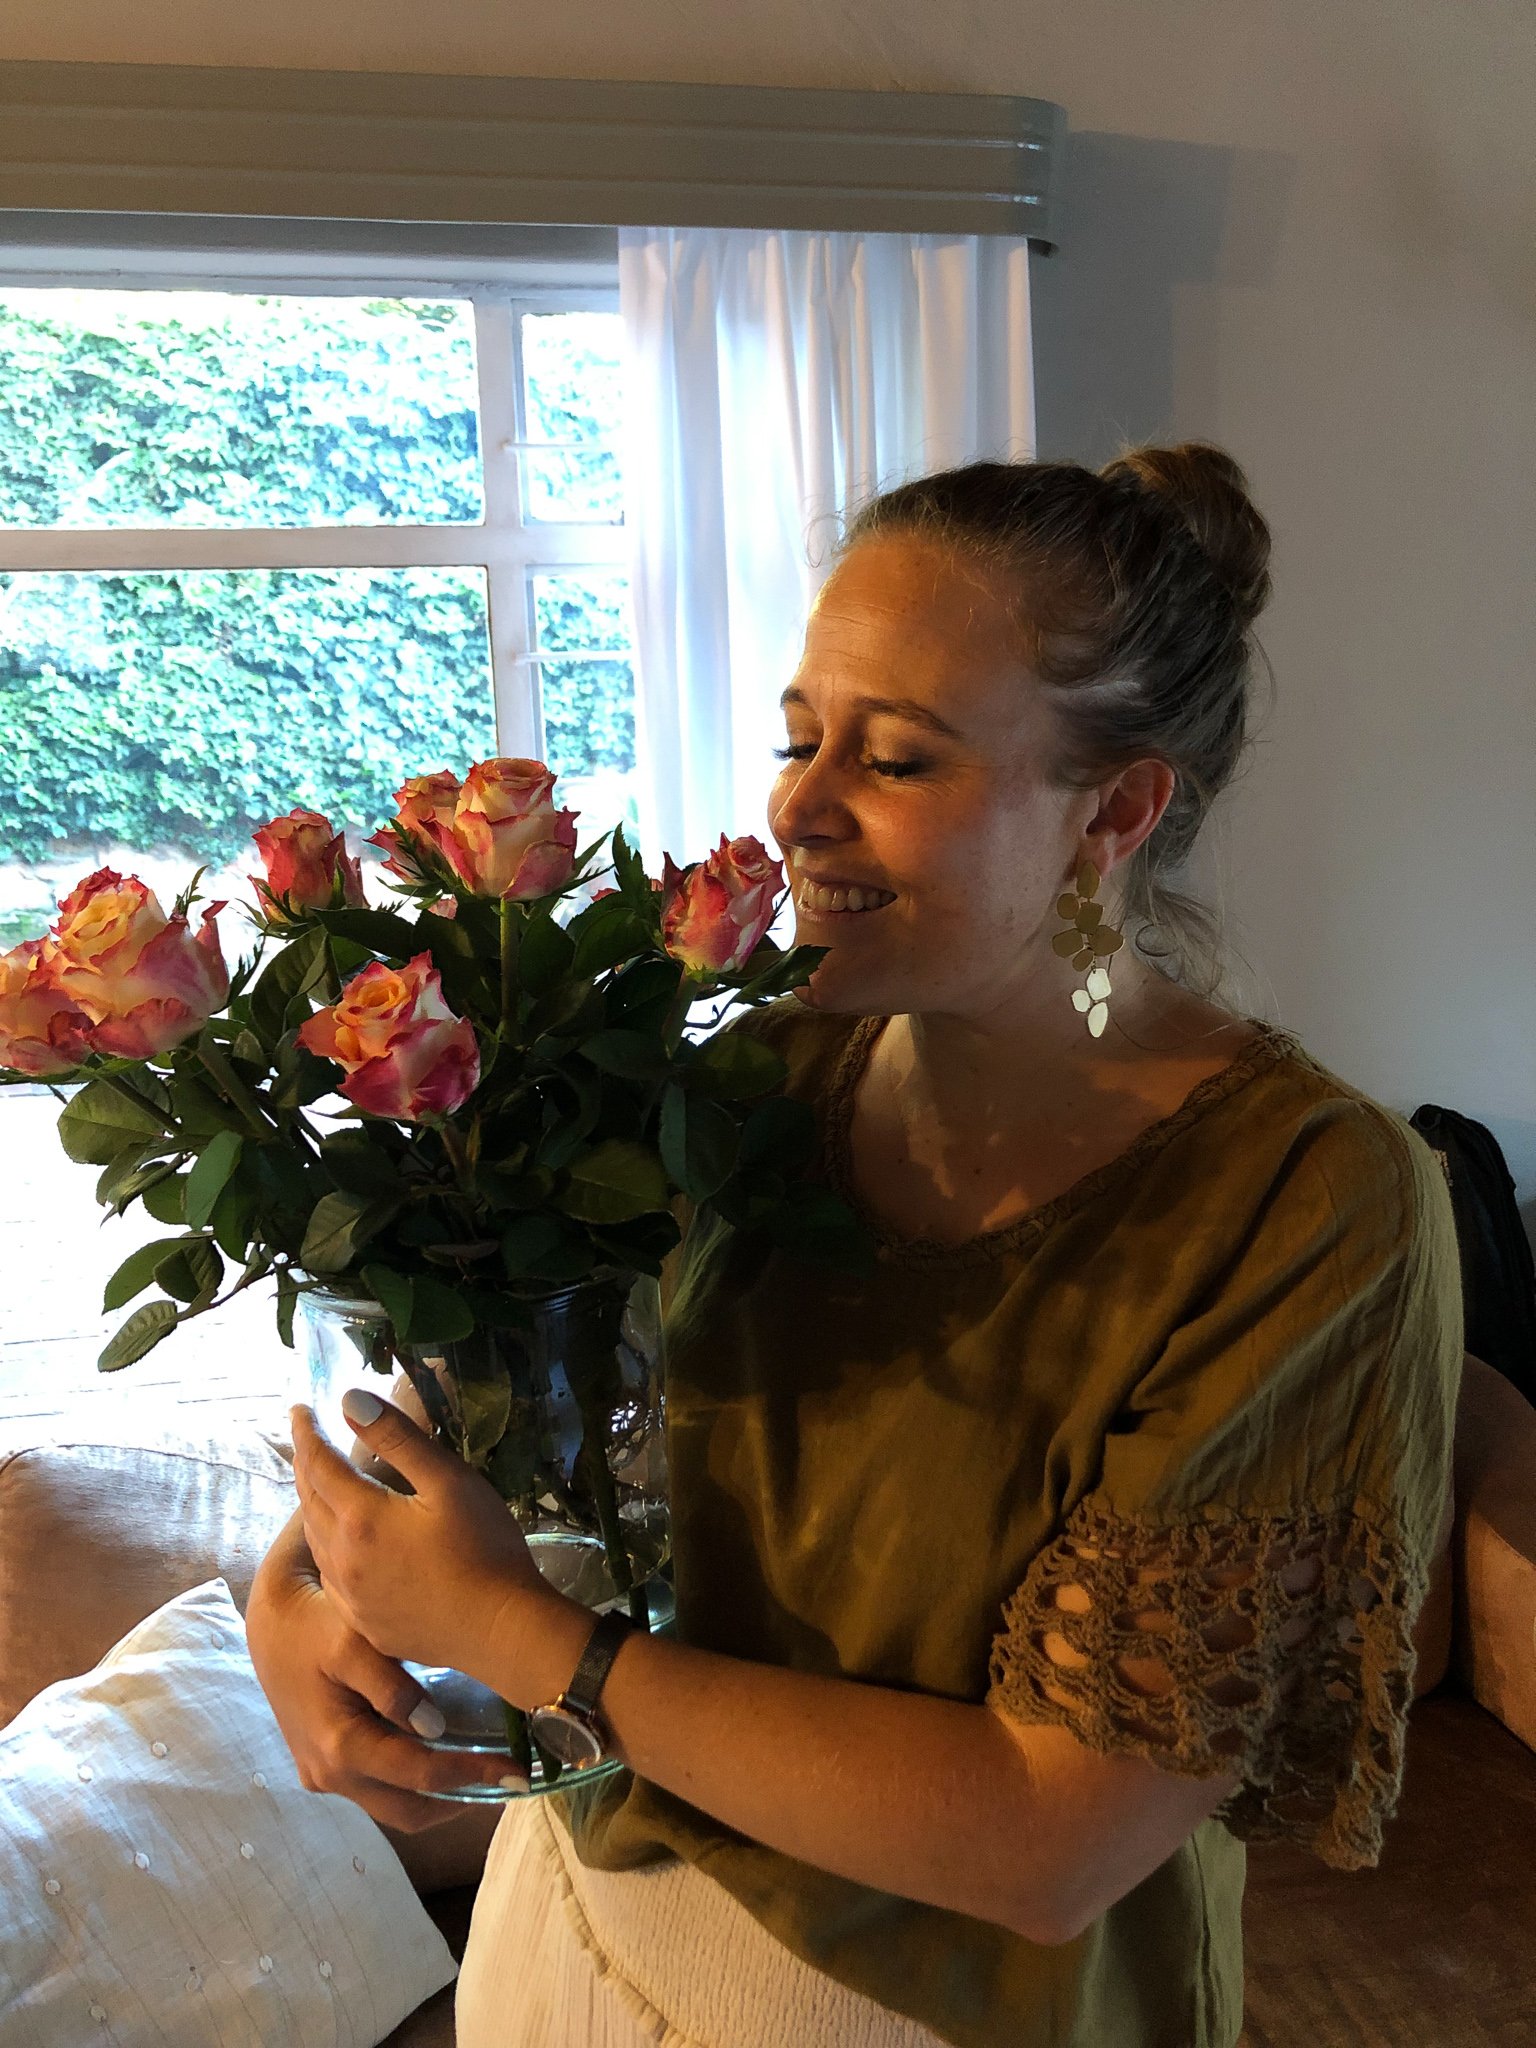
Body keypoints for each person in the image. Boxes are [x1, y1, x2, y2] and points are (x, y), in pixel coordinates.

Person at [251, 444, 1464, 2048]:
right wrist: (302, 1592)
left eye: (894, 759)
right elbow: (491, 1411)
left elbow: (1052, 1839)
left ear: (1115, 809)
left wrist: (525, 1641)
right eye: (799, 737)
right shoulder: (745, 1081)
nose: (796, 807)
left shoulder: (1303, 1199)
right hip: (566, 1953)